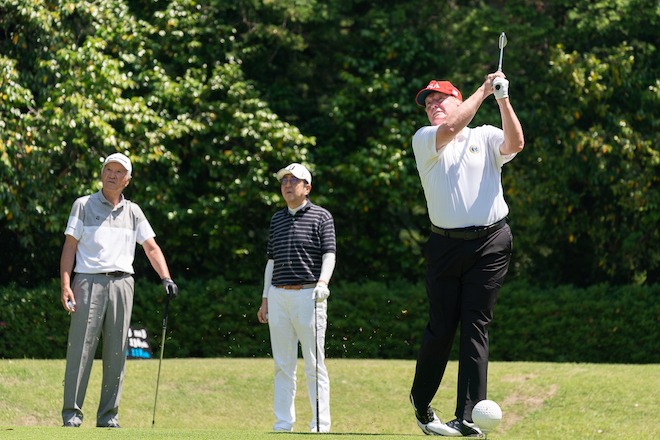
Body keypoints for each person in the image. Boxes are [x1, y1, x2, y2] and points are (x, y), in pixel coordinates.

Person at [408, 73, 524, 437]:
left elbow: (516, 143)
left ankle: (468, 417)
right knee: (441, 328)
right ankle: (421, 399)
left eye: (440, 100)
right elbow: (451, 128)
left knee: (476, 325)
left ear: (457, 102)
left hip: (491, 242)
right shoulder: (426, 138)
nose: (433, 107)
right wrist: (484, 90)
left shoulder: (484, 135)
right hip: (444, 246)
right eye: (428, 103)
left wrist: (502, 99)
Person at [60, 152, 178, 428]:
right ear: (102, 174)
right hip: (87, 281)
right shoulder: (83, 205)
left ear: (128, 179)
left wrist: (166, 277)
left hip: (123, 283)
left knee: (116, 351)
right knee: (81, 349)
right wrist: (66, 284)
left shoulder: (134, 211)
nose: (112, 175)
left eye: (119, 172)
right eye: (108, 170)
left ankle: (108, 417)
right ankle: (72, 415)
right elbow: (69, 247)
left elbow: (150, 247)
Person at [257, 163, 337, 433]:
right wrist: (265, 298)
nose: (288, 185)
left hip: (309, 295)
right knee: (282, 365)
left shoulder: (322, 217)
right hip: (279, 295)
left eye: (294, 180)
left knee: (314, 364)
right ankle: (283, 424)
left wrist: (323, 282)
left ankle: (319, 425)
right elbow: (271, 261)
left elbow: (329, 254)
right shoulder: (277, 219)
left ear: (308, 187)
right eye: (284, 181)